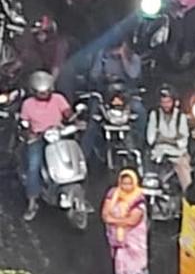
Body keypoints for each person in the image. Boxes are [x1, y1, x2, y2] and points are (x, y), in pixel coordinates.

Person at [18, 70, 73, 220]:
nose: (44, 95)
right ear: (34, 91)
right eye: (41, 93)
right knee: (33, 166)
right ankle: (32, 202)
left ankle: (79, 194)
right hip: (39, 137)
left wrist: (73, 118)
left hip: (58, 134)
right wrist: (29, 133)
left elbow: (68, 112)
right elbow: (24, 122)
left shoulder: (58, 98)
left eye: (47, 91)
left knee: (74, 160)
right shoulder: (28, 104)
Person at [84, 39, 145, 159]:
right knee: (93, 117)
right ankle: (85, 155)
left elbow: (133, 75)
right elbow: (94, 76)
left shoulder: (134, 58)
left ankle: (140, 144)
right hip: (106, 94)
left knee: (139, 111)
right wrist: (102, 60)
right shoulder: (103, 56)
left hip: (127, 94)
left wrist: (123, 58)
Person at [102, 168, 150, 274]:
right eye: (124, 183)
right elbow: (105, 214)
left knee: (135, 273)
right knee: (121, 272)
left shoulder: (138, 200)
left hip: (134, 246)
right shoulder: (113, 194)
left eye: (130, 184)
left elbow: (132, 220)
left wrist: (114, 221)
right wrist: (117, 222)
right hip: (119, 243)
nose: (126, 187)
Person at [145, 84, 191, 190]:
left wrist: (163, 138)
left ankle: (187, 193)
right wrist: (173, 139)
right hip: (159, 153)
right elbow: (151, 139)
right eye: (163, 102)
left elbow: (182, 142)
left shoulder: (181, 117)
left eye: (168, 102)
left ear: (174, 102)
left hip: (177, 154)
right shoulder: (154, 115)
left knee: (183, 167)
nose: (166, 105)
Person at [15, 15, 69, 82]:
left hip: (64, 73)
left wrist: (50, 84)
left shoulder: (60, 44)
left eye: (42, 33)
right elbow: (26, 54)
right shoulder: (38, 42)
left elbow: (56, 67)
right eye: (37, 34)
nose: (39, 36)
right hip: (47, 69)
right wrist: (13, 68)